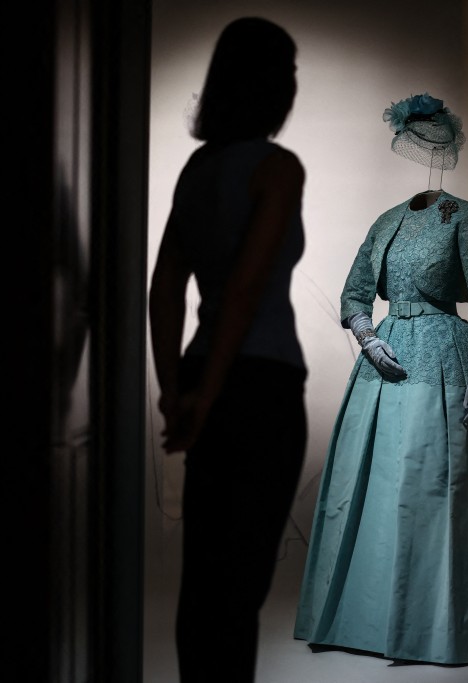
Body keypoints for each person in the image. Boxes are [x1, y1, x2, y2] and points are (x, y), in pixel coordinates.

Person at [293, 93, 468, 665]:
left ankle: (438, 620)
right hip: (386, 363)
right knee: (375, 487)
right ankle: (371, 613)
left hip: (445, 360)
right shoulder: (386, 222)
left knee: (435, 484)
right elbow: (355, 292)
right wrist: (368, 338)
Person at [148, 17, 307, 682]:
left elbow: (165, 290)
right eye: (289, 73)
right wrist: (206, 399)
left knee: (205, 578)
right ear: (271, 86)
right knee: (239, 589)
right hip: (261, 389)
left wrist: (177, 394)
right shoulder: (277, 167)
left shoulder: (199, 167)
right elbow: (244, 292)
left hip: (204, 376)